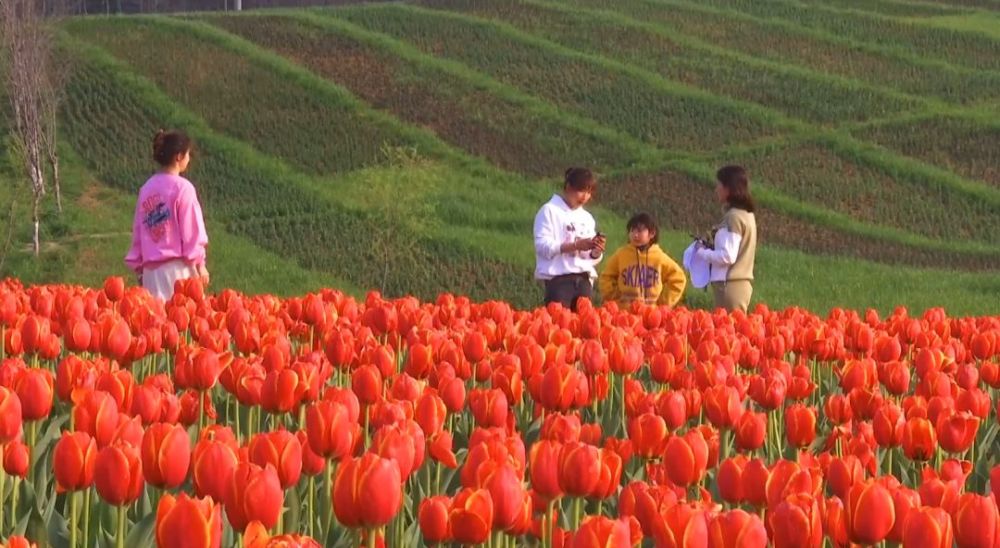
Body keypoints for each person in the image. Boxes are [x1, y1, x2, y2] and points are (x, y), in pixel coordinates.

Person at [124, 130, 209, 300]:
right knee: (181, 322)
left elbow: (139, 231)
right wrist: (200, 264)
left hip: (150, 274)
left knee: (156, 323)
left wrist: (140, 270)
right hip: (179, 271)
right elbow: (191, 232)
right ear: (178, 157)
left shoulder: (146, 189)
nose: (189, 158)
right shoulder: (183, 189)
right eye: (187, 154)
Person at [533, 167, 607, 311]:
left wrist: (596, 251)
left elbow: (588, 257)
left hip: (584, 281)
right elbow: (542, 246)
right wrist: (575, 245)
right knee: (560, 326)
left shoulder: (586, 218)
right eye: (582, 191)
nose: (585, 197)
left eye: (589, 192)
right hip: (559, 281)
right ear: (568, 187)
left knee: (582, 329)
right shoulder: (549, 211)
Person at [694, 165, 758, 313]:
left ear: (729, 188)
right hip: (739, 285)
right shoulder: (747, 215)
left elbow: (728, 255)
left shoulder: (733, 217)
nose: (716, 189)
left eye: (719, 185)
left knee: (727, 332)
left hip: (730, 286)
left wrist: (702, 251)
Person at [599, 213, 686, 307]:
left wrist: (662, 303)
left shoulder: (659, 257)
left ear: (652, 233)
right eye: (632, 231)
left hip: (651, 314)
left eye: (640, 231)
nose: (635, 235)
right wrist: (616, 298)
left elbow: (678, 279)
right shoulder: (621, 255)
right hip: (625, 313)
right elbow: (606, 277)